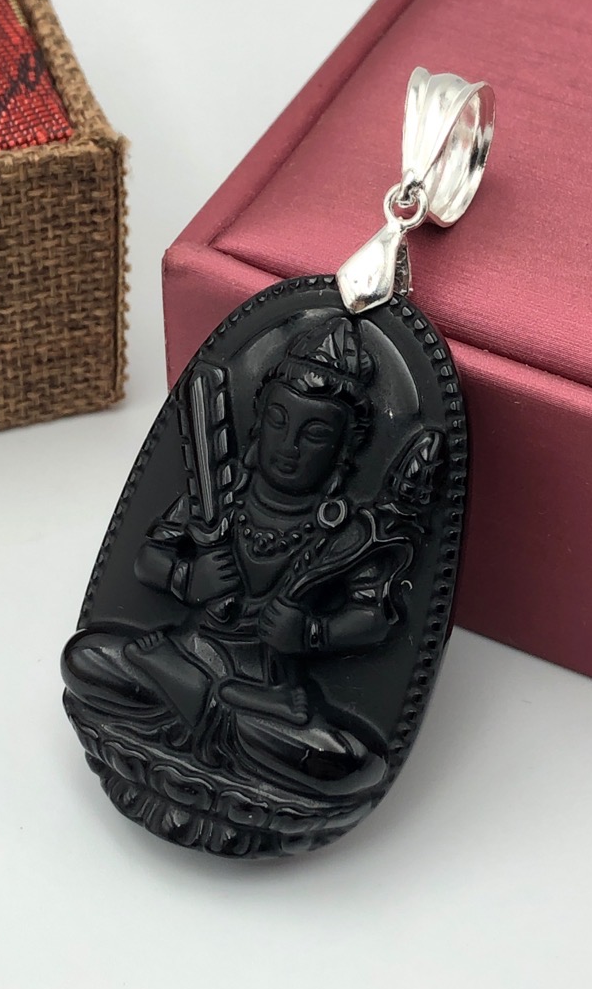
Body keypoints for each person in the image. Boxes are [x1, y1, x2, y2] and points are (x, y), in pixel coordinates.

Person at [62, 315, 416, 798]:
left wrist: (310, 632)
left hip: (267, 693)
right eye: (278, 421)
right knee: (84, 658)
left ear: (343, 449)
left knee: (346, 763)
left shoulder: (348, 533)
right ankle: (209, 703)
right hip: (185, 654)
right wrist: (188, 579)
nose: (289, 446)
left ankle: (209, 707)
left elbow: (373, 618)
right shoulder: (220, 496)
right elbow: (148, 559)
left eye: (314, 434)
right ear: (259, 420)